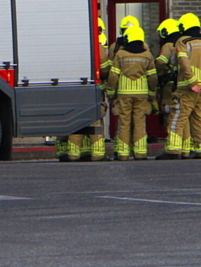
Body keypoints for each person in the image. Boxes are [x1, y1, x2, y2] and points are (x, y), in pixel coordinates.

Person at [158, 13, 201, 160]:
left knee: (178, 118)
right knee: (199, 118)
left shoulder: (183, 41)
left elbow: (183, 62)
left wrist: (191, 81)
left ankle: (173, 151)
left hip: (187, 87)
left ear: (184, 26)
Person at [57, 17, 112, 161]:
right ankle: (98, 154)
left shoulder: (72, 47)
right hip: (93, 89)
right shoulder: (97, 46)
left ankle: (73, 154)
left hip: (76, 89)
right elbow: (105, 69)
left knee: (77, 121)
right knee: (94, 122)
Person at [105, 25, 157, 160]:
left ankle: (123, 153)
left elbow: (113, 75)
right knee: (140, 122)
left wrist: (111, 91)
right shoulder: (147, 55)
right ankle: (140, 152)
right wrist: (152, 92)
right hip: (141, 94)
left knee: (124, 122)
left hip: (123, 94)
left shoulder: (120, 54)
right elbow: (152, 76)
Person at [154, 18, 191, 158]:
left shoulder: (169, 45)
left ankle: (173, 148)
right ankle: (186, 149)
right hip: (183, 84)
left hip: (170, 86)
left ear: (165, 32)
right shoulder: (184, 43)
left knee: (171, 115)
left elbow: (160, 63)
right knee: (184, 116)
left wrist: (157, 72)